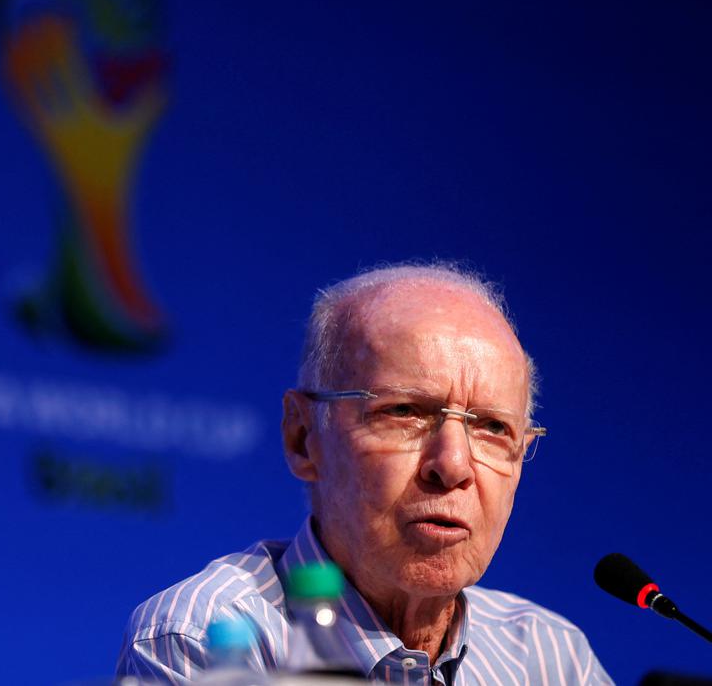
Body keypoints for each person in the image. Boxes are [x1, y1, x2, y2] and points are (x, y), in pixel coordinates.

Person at [116, 264, 611, 684]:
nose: (454, 465)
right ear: (303, 438)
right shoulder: (210, 642)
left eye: (493, 428)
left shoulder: (552, 658)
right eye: (405, 412)